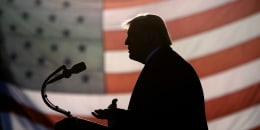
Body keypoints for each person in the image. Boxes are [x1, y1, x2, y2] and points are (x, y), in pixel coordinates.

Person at [92, 13, 208, 129]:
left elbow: (157, 120)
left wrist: (117, 115)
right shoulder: (165, 63)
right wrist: (117, 117)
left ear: (151, 36)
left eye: (132, 35)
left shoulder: (165, 67)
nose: (126, 42)